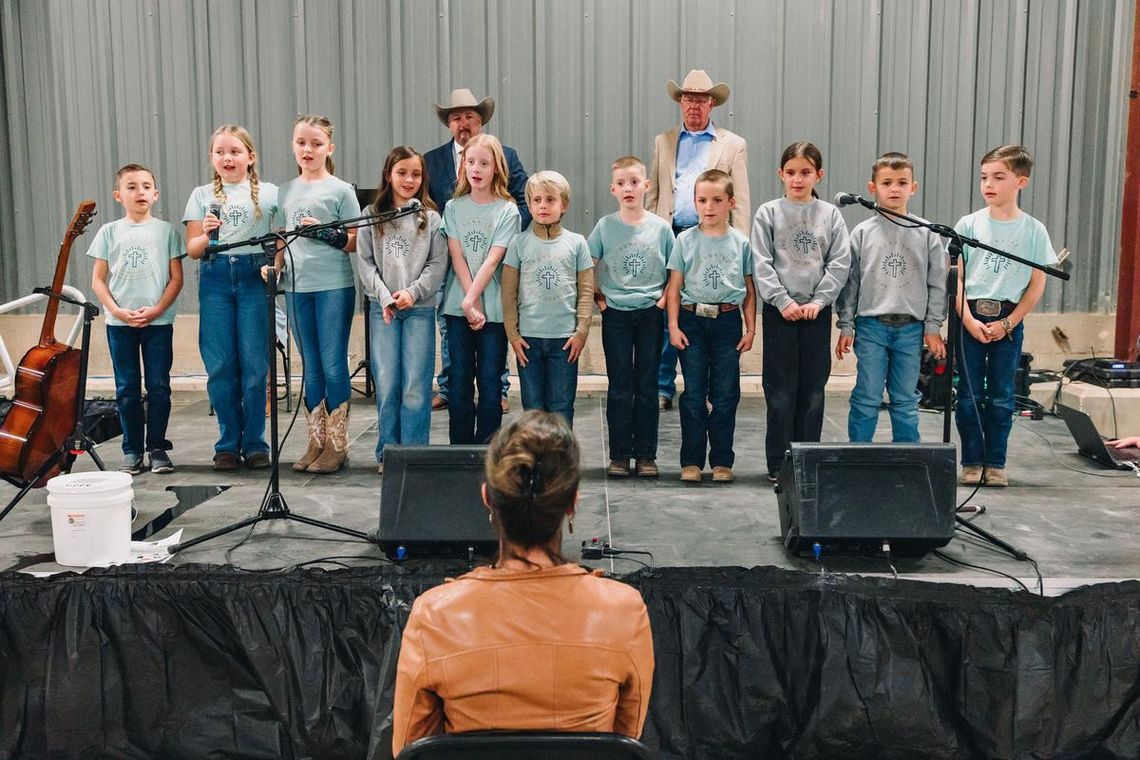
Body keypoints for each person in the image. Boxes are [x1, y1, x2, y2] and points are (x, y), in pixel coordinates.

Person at [391, 411, 654, 754]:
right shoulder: (624, 611)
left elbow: (410, 750)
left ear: (487, 498)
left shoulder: (434, 615)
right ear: (572, 503)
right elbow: (625, 744)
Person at [647, 69, 750, 412]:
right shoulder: (663, 141)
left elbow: (741, 200)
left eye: (700, 99)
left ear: (711, 104)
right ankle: (663, 386)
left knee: (708, 317)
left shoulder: (732, 144)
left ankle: (707, 387)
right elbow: (654, 194)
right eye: (688, 98)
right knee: (669, 310)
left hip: (716, 239)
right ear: (680, 102)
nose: (693, 105)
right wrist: (651, 239)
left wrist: (740, 247)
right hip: (673, 236)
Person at [954, 145, 1057, 487]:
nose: (989, 184)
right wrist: (968, 320)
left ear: (1021, 182)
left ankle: (995, 462)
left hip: (1009, 318)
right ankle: (972, 461)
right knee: (968, 394)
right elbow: (958, 279)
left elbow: (1036, 284)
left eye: (999, 177)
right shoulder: (968, 224)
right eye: (984, 177)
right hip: (970, 314)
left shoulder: (1034, 230)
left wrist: (1009, 323)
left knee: (1001, 394)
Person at [424, 89, 528, 413]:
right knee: (452, 328)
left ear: (480, 121)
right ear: (449, 124)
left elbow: (523, 197)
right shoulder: (433, 160)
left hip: (493, 256)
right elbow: (428, 206)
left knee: (492, 334)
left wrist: (507, 234)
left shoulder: (505, 155)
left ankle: (498, 391)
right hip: (454, 256)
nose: (463, 122)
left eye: (469, 116)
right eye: (456, 117)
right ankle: (450, 387)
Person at [752, 142, 851, 483]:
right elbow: (761, 262)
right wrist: (782, 301)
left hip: (815, 314)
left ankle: (807, 459)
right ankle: (779, 463)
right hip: (780, 313)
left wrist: (819, 301)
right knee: (780, 390)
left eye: (805, 172)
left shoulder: (831, 215)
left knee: (812, 389)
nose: (798, 179)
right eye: (791, 172)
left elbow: (839, 262)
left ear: (818, 175)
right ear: (780, 174)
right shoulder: (768, 213)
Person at [183, 125, 279, 471]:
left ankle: (254, 443)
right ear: (212, 158)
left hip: (255, 274)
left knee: (254, 364)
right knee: (221, 364)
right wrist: (207, 234)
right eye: (220, 152)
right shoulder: (201, 195)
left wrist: (275, 266)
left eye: (235, 151)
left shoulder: (270, 194)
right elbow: (193, 249)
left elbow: (281, 238)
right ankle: (227, 444)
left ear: (250, 157)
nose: (228, 158)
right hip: (216, 275)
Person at [835, 152, 947, 443]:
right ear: (873, 188)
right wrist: (846, 325)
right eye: (886, 183)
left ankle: (907, 458)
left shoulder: (927, 233)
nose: (894, 189)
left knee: (905, 398)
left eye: (902, 182)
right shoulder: (862, 233)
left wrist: (933, 326)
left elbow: (937, 283)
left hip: (911, 329)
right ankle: (858, 455)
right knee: (867, 395)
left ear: (913, 187)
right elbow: (850, 283)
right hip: (871, 326)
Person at [270, 115, 361, 474]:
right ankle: (315, 441)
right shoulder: (284, 191)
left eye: (316, 143)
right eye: (302, 143)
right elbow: (281, 238)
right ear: (293, 146)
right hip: (297, 286)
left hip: (333, 285)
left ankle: (337, 445)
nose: (308, 149)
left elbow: (355, 241)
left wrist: (327, 233)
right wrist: (275, 267)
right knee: (310, 364)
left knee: (332, 362)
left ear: (329, 148)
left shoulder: (341, 190)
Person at [354, 146, 447, 473]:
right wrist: (384, 297)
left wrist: (412, 292)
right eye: (402, 173)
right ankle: (390, 452)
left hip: (419, 310)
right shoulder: (370, 215)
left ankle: (414, 453)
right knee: (388, 383)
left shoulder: (430, 218)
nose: (409, 180)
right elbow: (365, 262)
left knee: (415, 386)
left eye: (416, 174)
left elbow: (437, 264)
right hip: (384, 311)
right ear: (388, 175)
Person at [88, 164, 184, 475]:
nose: (139, 192)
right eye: (131, 187)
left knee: (159, 386)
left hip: (158, 323)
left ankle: (156, 447)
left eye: (145, 186)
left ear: (155, 194)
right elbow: (98, 280)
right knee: (127, 387)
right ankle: (131, 451)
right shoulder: (109, 232)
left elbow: (176, 279)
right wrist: (117, 311)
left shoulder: (167, 231)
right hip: (121, 325)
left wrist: (157, 309)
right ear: (118, 195)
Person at [666, 170, 756, 483]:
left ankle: (721, 461)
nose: (709, 207)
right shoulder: (684, 240)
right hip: (691, 321)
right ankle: (691, 461)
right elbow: (674, 287)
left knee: (725, 393)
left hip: (727, 321)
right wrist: (673, 326)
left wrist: (751, 328)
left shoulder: (741, 243)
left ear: (731, 203)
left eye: (717, 200)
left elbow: (749, 288)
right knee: (693, 393)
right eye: (702, 200)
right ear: (694, 202)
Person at [589, 156, 674, 478]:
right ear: (613, 189)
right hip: (616, 316)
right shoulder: (605, 226)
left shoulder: (661, 228)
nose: (628, 188)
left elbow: (675, 270)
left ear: (646, 186)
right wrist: (601, 301)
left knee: (648, 384)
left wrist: (662, 302)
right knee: (620, 385)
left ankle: (646, 455)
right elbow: (586, 264)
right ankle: (620, 455)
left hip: (650, 313)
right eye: (621, 183)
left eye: (634, 182)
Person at [440, 133, 521, 444]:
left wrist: (472, 300)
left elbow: (493, 259)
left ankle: (488, 450)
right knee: (459, 380)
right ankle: (459, 449)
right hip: (458, 307)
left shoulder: (507, 211)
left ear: (496, 168)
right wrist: (466, 302)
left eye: (484, 163)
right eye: (471, 161)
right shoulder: (453, 207)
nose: (476, 168)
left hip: (493, 310)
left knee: (490, 381)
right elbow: (457, 255)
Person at [502, 171, 593, 426]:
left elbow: (586, 291)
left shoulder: (577, 243)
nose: (543, 205)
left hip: (565, 341)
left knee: (561, 406)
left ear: (564, 205)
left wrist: (581, 331)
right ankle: (535, 453)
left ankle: (561, 453)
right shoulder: (518, 243)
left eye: (550, 200)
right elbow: (508, 292)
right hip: (528, 340)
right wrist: (513, 335)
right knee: (533, 408)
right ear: (529, 205)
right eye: (537, 200)